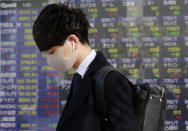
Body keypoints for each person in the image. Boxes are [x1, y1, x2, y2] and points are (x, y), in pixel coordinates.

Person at [32, 2, 140, 131]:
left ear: (73, 41)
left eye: (53, 52)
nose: (50, 60)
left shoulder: (111, 81)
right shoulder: (79, 77)